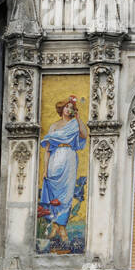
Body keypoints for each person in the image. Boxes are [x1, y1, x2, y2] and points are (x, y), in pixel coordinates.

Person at [38, 96, 88, 246]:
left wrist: (78, 119)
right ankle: (56, 226)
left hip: (70, 158)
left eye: (71, 107)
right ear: (61, 108)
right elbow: (47, 150)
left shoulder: (74, 124)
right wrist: (45, 169)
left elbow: (84, 135)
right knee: (55, 195)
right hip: (55, 159)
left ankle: (61, 228)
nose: (68, 109)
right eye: (66, 106)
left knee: (66, 195)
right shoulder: (54, 126)